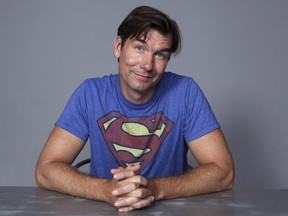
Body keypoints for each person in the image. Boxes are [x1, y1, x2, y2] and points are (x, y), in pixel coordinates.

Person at [35, 5, 234, 212]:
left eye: (160, 55)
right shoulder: (90, 93)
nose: (147, 65)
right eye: (140, 48)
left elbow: (224, 173)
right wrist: (106, 190)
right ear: (118, 47)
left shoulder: (185, 93)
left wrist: (155, 188)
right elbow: (45, 170)